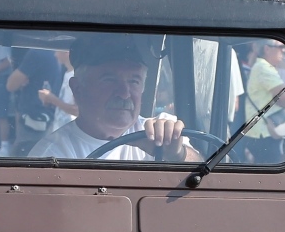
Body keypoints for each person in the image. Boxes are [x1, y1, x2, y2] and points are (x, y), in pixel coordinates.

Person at [28, 36, 197, 162]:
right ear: (78, 88)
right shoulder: (53, 154)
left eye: (134, 81)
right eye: (109, 80)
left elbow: (206, 179)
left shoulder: (159, 132)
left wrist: (176, 153)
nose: (124, 93)